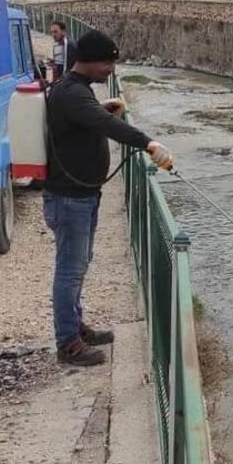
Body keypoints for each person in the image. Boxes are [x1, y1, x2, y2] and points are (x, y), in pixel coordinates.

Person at [43, 28, 174, 366]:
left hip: (81, 196)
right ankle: (68, 344)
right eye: (107, 64)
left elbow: (88, 118)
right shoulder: (73, 93)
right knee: (70, 271)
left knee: (78, 265)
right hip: (70, 199)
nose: (110, 70)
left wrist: (101, 108)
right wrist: (148, 144)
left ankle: (75, 327)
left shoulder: (76, 90)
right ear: (89, 61)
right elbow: (106, 126)